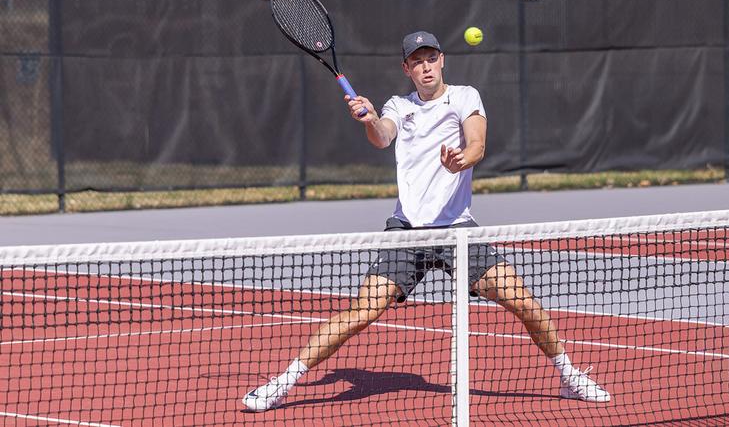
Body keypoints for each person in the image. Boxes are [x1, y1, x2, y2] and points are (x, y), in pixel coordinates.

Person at [243, 31, 610, 412]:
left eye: (430, 57)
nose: (425, 66)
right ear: (407, 68)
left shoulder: (465, 96)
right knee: (363, 311)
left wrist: (462, 161)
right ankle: (283, 382)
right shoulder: (399, 106)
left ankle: (570, 377)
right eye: (416, 61)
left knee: (523, 301)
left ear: (442, 59)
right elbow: (383, 137)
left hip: (457, 232)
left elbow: (477, 144)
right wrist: (369, 119)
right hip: (406, 232)